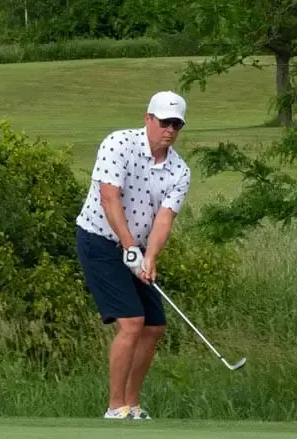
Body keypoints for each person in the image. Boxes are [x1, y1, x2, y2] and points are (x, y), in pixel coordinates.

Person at [75, 91, 192, 420]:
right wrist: (129, 247)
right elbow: (109, 198)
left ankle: (132, 405)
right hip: (99, 240)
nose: (170, 130)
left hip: (137, 247)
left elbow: (164, 219)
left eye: (177, 125)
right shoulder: (118, 144)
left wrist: (149, 257)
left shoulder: (179, 171)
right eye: (165, 122)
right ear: (148, 119)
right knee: (131, 322)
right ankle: (115, 407)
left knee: (154, 326)